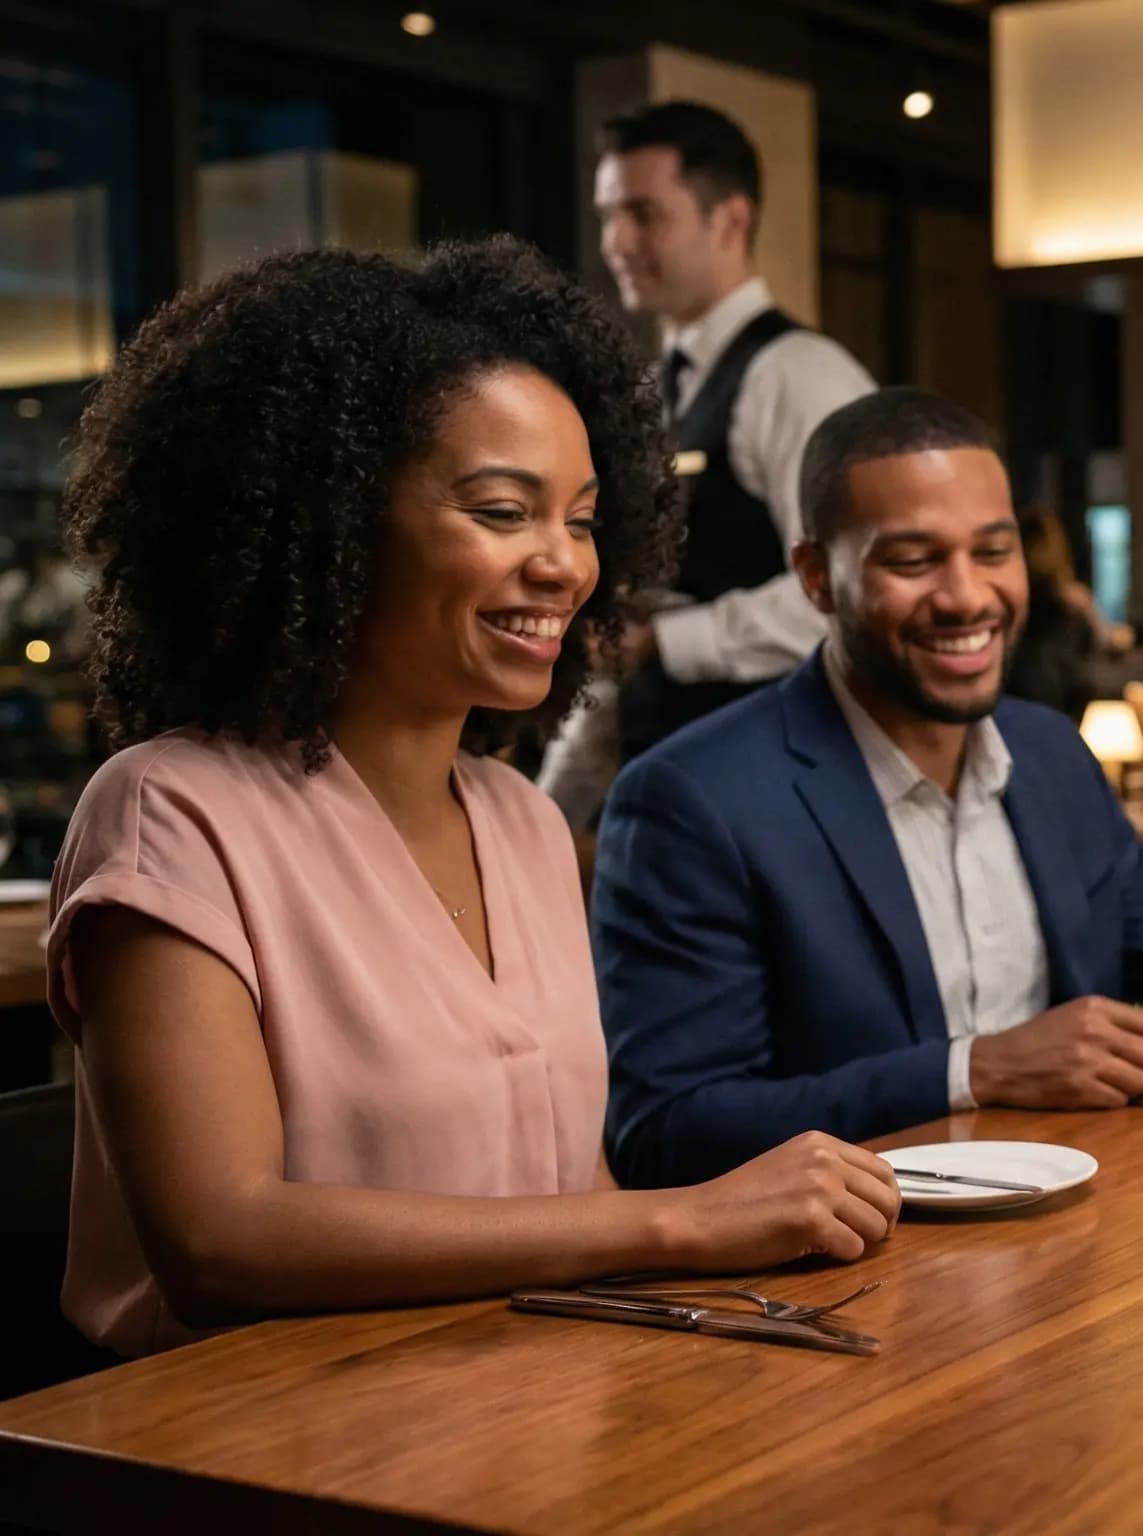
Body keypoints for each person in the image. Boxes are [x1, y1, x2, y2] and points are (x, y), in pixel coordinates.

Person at [45, 240, 898, 1357]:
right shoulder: (172, 812)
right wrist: (680, 1218)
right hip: (244, 1461)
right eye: (504, 512)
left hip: (517, 1422)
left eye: (583, 520)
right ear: (336, 522)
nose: (565, 566)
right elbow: (221, 1238)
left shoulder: (522, 820)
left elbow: (565, 1187)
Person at [592, 388, 1143, 1188]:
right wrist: (973, 1070)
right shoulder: (693, 799)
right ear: (818, 577)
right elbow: (668, 1133)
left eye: (993, 551)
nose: (967, 595)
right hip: (848, 1287)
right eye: (914, 560)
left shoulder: (1047, 751)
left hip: (1088, 1233)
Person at [537, 100, 877, 825]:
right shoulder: (664, 383)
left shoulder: (799, 376)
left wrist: (667, 640)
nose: (616, 241)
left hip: (779, 792)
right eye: (606, 216)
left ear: (730, 219)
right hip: (670, 782)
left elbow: (856, 592)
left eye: (644, 214)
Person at [1005, 511, 1105, 720]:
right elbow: (1099, 654)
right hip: (1059, 712)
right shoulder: (1074, 605)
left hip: (1016, 710)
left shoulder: (1005, 606)